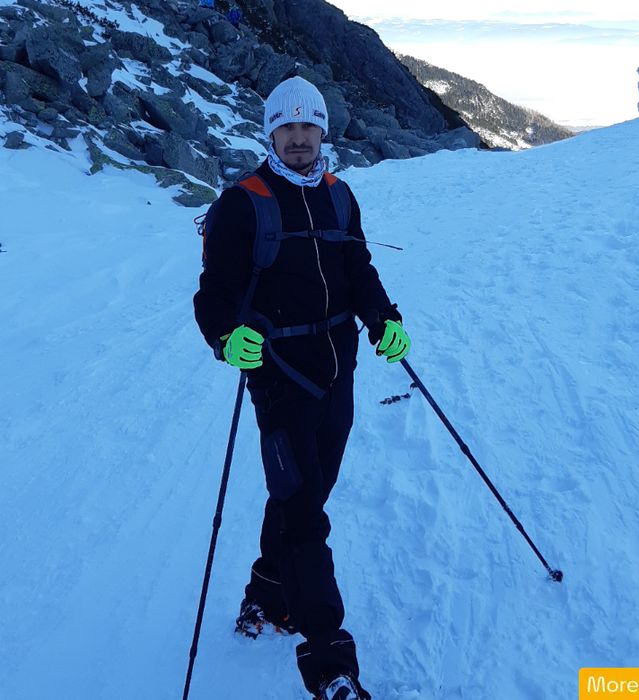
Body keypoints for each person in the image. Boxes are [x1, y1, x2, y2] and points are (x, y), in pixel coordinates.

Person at [193, 76, 411, 700]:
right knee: (305, 510)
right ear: (270, 133)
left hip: (338, 373)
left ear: (322, 132)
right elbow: (214, 295)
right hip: (279, 379)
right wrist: (225, 336)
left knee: (306, 494)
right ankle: (330, 663)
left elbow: (358, 267)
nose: (297, 137)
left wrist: (384, 318)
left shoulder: (340, 195)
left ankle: (268, 594)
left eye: (307, 126)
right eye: (285, 127)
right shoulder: (242, 203)